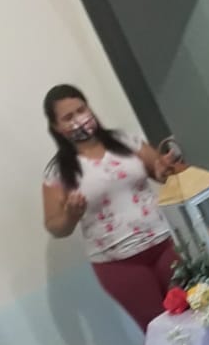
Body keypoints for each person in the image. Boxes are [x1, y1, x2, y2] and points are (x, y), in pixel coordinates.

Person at [41, 84, 184, 331]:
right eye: (68, 117)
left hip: (163, 244)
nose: (78, 119)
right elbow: (55, 226)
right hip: (119, 264)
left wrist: (165, 169)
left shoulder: (124, 140)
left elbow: (160, 171)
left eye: (81, 110)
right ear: (56, 127)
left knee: (192, 311)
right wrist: (70, 215)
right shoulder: (58, 172)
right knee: (161, 330)